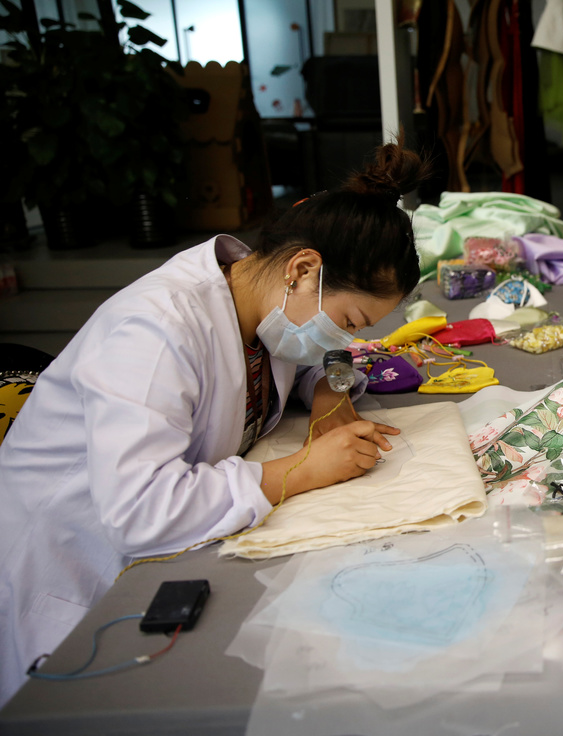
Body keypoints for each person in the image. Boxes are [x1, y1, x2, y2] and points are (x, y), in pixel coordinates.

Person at [0, 140, 426, 706]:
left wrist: (330, 390)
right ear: (303, 269)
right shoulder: (157, 330)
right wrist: (299, 469)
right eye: (349, 320)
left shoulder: (259, 297)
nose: (346, 338)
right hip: (71, 568)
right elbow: (140, 510)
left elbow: (315, 355)